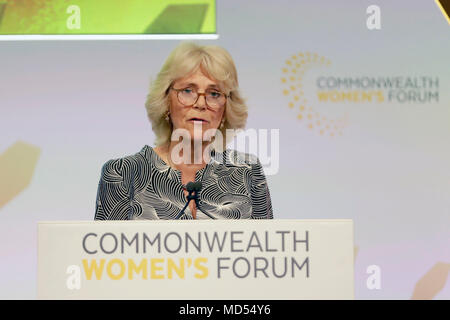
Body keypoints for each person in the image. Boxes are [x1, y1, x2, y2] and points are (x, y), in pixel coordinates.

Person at [94, 42, 273, 220]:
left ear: (226, 109)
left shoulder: (248, 171)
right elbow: (106, 247)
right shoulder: (123, 173)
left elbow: (269, 246)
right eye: (188, 90)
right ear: (166, 101)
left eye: (214, 94)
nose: (201, 104)